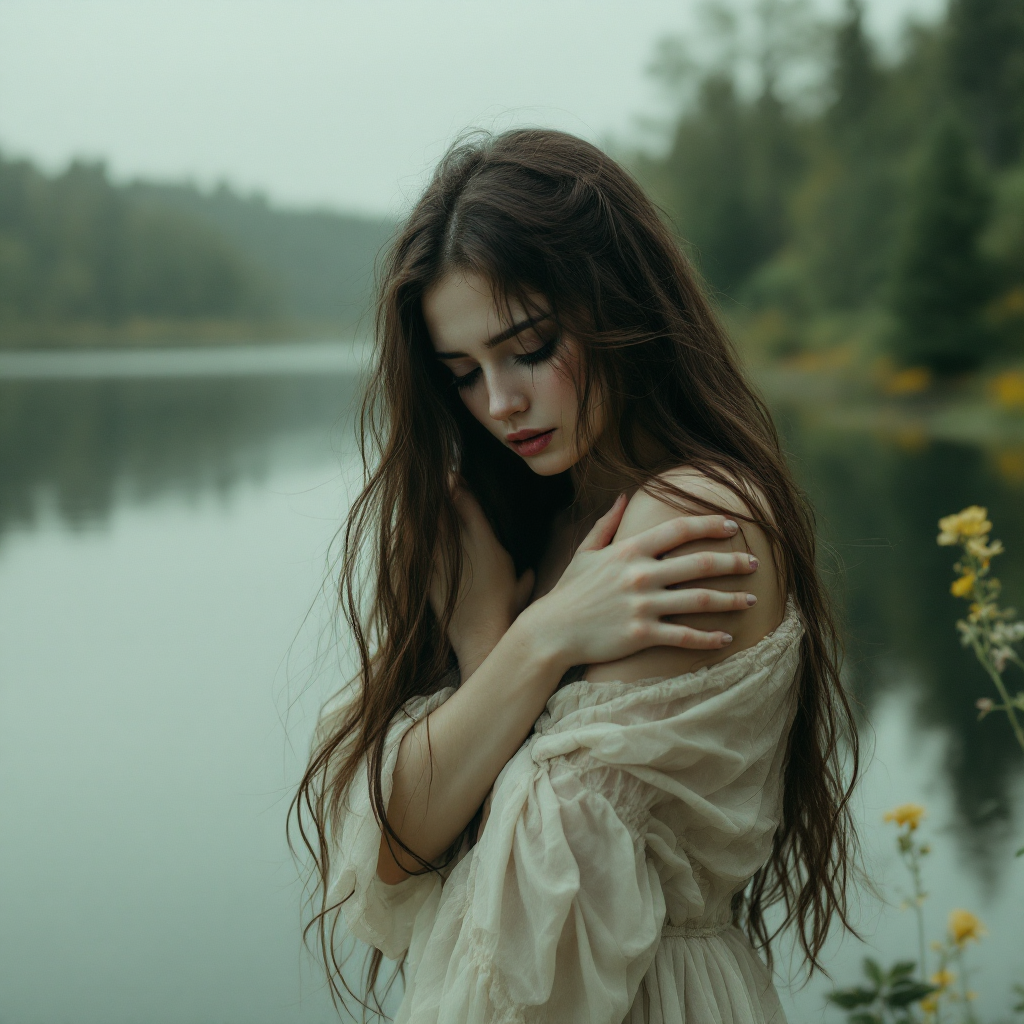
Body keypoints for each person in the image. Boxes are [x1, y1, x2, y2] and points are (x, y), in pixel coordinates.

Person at [292, 129, 858, 1024]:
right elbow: (396, 843)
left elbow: (537, 887)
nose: (500, 404)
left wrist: (499, 639)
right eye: (464, 374)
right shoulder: (541, 520)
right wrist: (540, 635)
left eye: (529, 347)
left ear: (616, 305)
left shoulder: (688, 518)